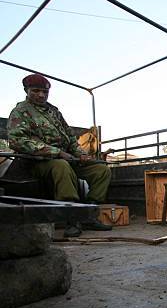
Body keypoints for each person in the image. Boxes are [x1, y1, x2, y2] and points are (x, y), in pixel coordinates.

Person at [7, 74, 112, 237]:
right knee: (61, 166)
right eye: (35, 91)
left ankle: (88, 215)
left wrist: (80, 154)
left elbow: (70, 137)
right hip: (37, 162)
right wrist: (57, 152)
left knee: (101, 169)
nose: (41, 95)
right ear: (26, 90)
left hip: (67, 159)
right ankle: (71, 218)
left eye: (44, 92)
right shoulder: (20, 112)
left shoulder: (54, 111)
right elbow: (17, 141)